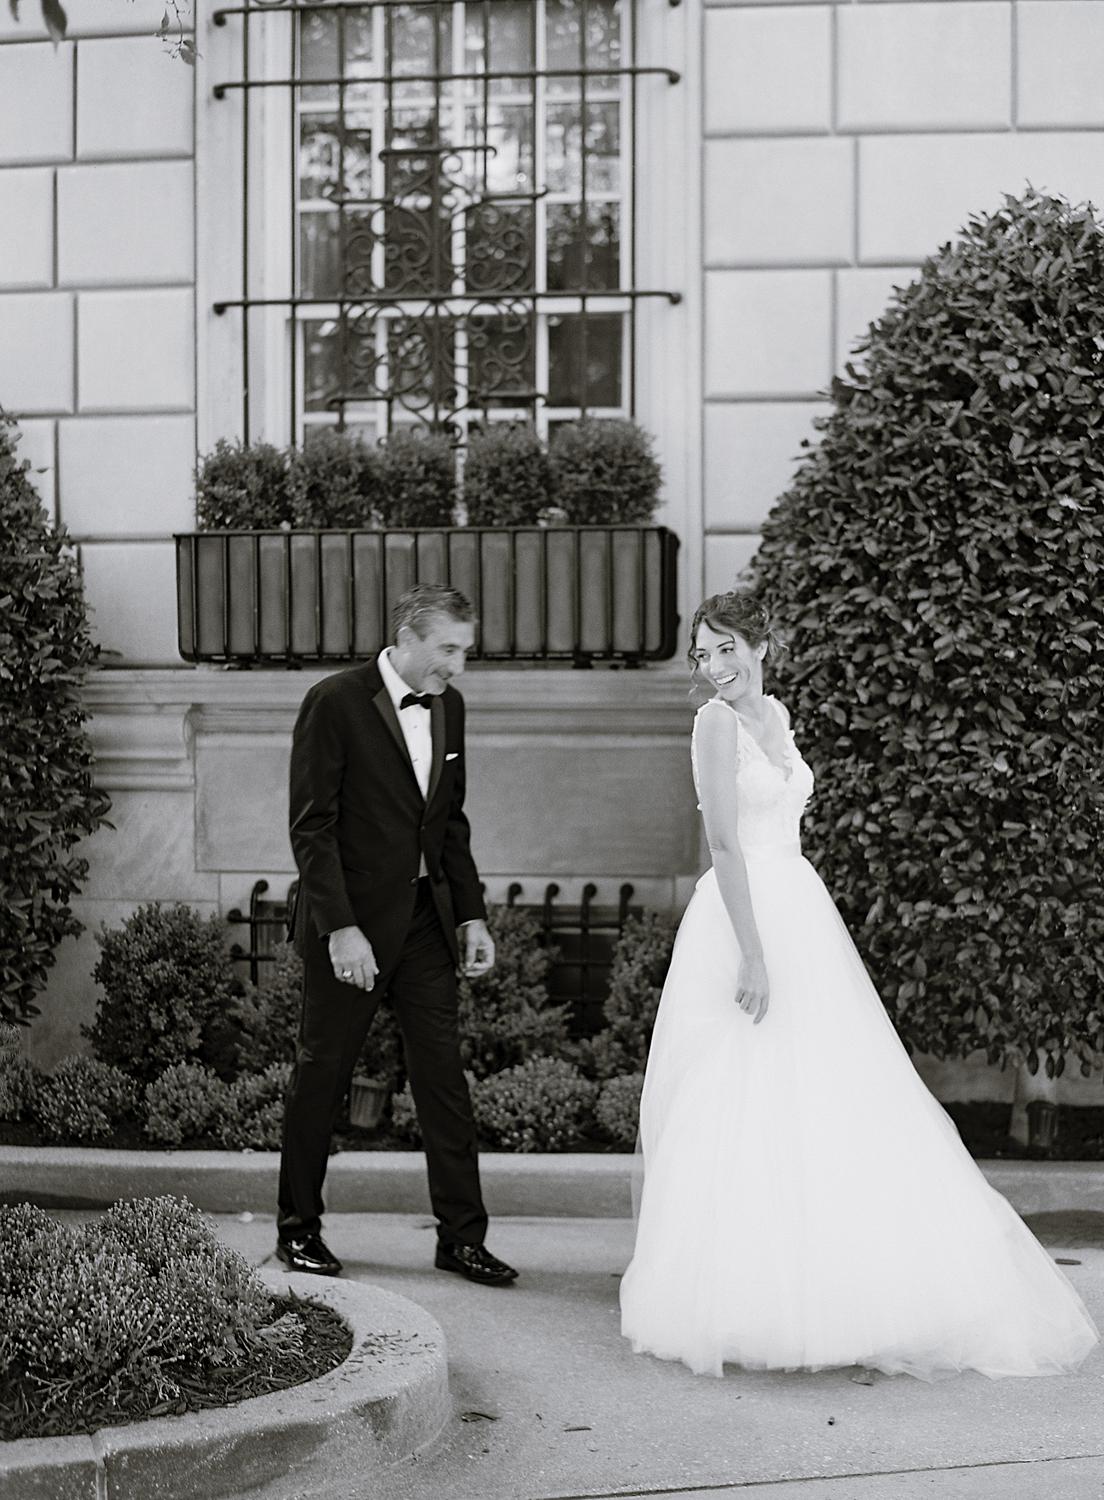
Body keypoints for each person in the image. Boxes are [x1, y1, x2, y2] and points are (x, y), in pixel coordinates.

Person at [620, 590, 1097, 1379]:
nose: (717, 666)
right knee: (741, 1098)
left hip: (799, 911)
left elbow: (784, 831)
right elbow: (726, 848)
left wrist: (789, 940)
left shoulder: (776, 718)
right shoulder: (713, 724)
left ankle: (842, 1283)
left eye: (728, 647)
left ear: (762, 642)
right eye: (705, 653)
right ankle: (743, 1298)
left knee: (828, 1094)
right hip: (743, 923)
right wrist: (754, 954)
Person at [276, 583, 518, 1287]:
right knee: (321, 1074)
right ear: (407, 638)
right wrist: (341, 929)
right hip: (348, 926)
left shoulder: (452, 708)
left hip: (424, 926)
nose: (458, 667)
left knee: (443, 1079)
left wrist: (470, 914)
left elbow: (450, 824)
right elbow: (311, 828)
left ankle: (462, 1239)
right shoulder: (334, 702)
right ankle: (298, 1231)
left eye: (464, 651)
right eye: (448, 649)